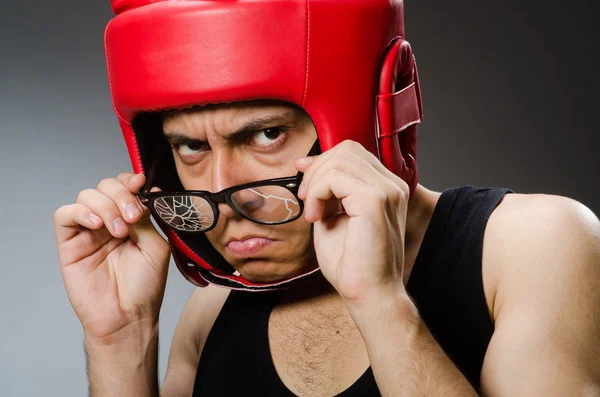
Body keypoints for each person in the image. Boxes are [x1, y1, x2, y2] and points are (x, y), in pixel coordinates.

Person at [54, 1, 600, 396]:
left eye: (265, 134)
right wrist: (120, 342)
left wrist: (381, 305)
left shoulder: (532, 245)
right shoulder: (210, 315)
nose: (219, 189)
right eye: (191, 147)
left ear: (368, 121)